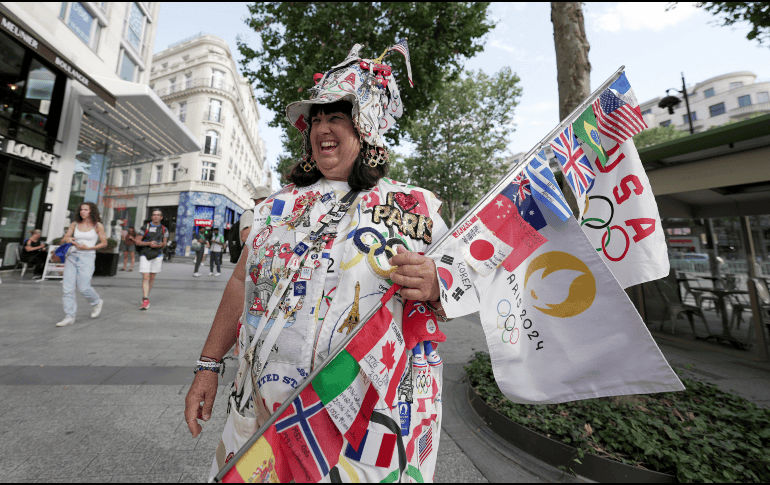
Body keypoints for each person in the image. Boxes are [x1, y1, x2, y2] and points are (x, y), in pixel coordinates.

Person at [185, 44, 450, 482]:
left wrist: (436, 283)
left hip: (368, 416)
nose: (323, 128)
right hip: (267, 407)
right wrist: (208, 367)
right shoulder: (276, 208)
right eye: (318, 119)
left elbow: (458, 285)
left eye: (337, 117)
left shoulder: (415, 207)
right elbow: (239, 283)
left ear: (366, 129)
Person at [55, 202, 108, 327]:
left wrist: (89, 248)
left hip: (87, 257)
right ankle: (69, 316)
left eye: (86, 210)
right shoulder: (74, 224)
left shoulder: (98, 225)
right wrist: (67, 239)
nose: (82, 212)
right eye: (81, 210)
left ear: (91, 211)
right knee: (67, 288)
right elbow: (64, 239)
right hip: (72, 257)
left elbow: (104, 243)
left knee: (84, 287)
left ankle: (96, 302)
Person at [134, 209, 168, 310]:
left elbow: (165, 243)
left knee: (152, 277)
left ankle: (145, 297)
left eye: (158, 215)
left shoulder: (164, 229)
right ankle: (145, 299)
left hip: (157, 255)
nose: (156, 217)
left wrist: (161, 245)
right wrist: (148, 243)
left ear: (161, 217)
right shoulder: (145, 227)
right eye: (154, 215)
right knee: (146, 276)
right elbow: (137, 241)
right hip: (145, 254)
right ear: (152, 217)